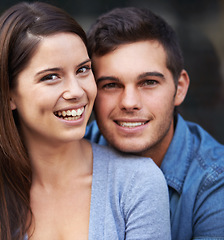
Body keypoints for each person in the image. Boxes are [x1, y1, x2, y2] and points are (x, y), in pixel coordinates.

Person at [0, 2, 170, 240]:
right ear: (8, 94)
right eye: (51, 76)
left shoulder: (136, 184)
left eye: (83, 70)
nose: (76, 91)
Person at [85, 7, 224, 240]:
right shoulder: (72, 152)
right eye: (110, 85)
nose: (129, 103)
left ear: (179, 88)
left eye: (148, 82)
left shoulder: (215, 181)